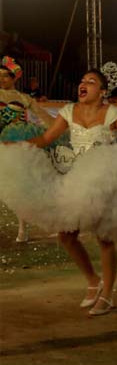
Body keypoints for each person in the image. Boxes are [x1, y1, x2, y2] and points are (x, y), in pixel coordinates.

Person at [0, 63, 117, 315]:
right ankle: (92, 280)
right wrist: (16, 145)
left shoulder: (114, 114)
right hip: (75, 178)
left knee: (105, 239)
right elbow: (45, 139)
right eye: (82, 80)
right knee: (66, 236)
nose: (83, 84)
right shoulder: (68, 111)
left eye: (90, 81)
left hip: (104, 181)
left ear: (102, 91)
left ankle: (107, 294)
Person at [0, 56, 57, 243]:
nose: (1, 79)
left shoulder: (24, 98)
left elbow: (45, 117)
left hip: (15, 145)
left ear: (14, 78)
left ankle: (23, 227)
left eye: (5, 76)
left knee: (17, 187)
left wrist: (62, 128)